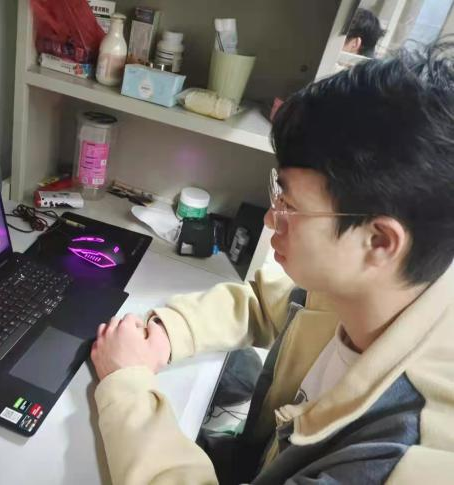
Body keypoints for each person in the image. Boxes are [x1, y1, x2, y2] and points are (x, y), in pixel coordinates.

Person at [90, 43, 454, 483]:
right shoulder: (383, 287)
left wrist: (127, 384)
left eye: (291, 206)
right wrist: (167, 333)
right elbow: (264, 303)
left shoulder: (398, 458)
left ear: (378, 241)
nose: (269, 218)